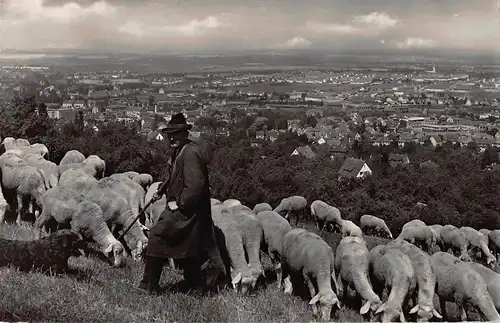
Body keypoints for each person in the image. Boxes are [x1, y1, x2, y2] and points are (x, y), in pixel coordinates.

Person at [137, 113, 226, 295]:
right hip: (185, 209)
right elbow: (172, 176)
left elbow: (196, 185)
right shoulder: (179, 150)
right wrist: (160, 191)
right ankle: (196, 285)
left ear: (185, 134)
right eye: (170, 133)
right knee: (188, 249)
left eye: (176, 133)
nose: (171, 137)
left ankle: (149, 285)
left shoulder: (191, 153)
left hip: (189, 211)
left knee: (156, 235)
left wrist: (180, 204)